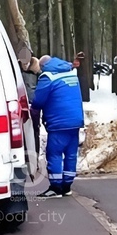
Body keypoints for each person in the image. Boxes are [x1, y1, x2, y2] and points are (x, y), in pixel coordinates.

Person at [31, 54, 84, 198]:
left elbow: (38, 101)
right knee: (71, 154)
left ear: (42, 67)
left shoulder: (47, 77)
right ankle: (67, 186)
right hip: (75, 121)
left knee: (54, 153)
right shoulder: (70, 72)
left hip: (59, 122)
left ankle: (55, 187)